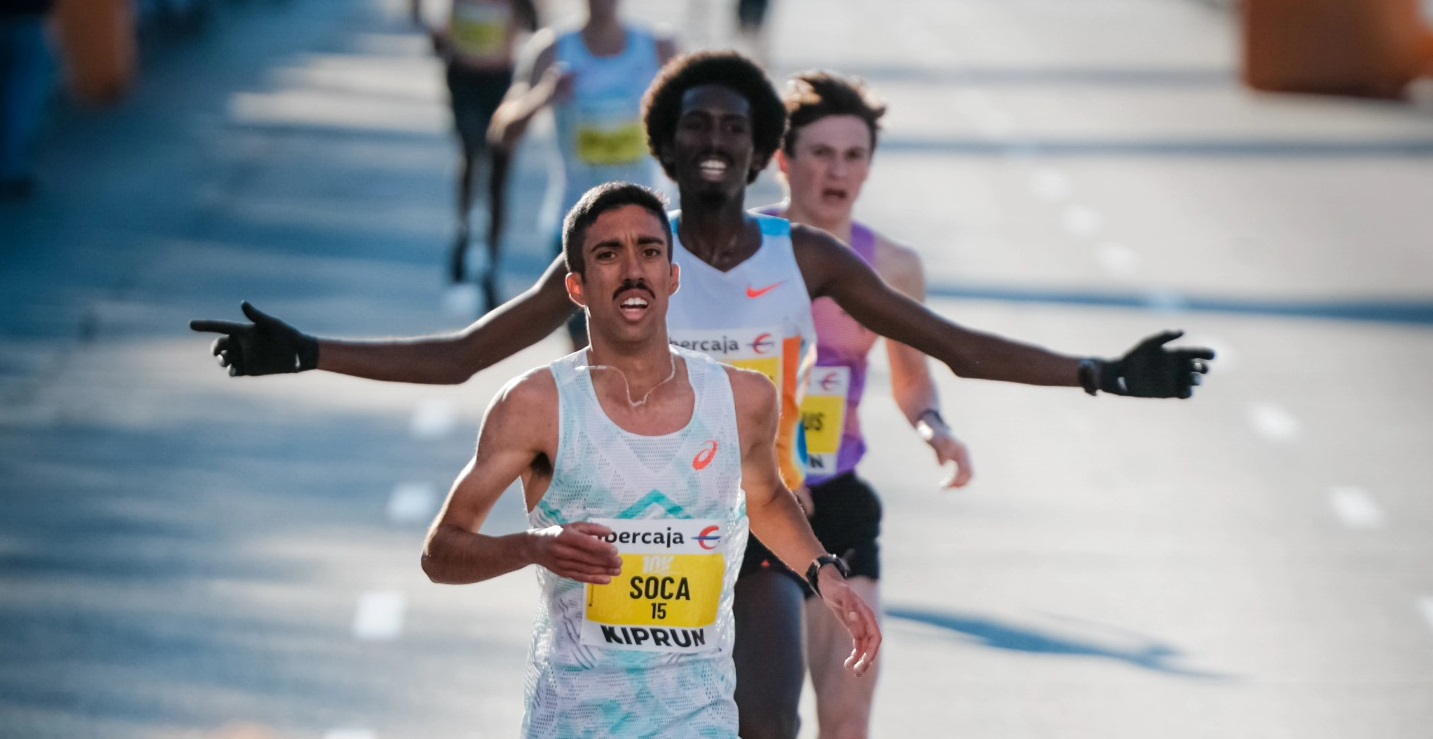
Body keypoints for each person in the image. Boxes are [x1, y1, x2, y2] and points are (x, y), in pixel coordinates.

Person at [192, 50, 1213, 739]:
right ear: (669, 145)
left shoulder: (799, 255)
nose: (714, 139)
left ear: (758, 140)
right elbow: (464, 355)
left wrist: (1101, 373)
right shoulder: (623, 250)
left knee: (767, 724)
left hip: (758, 521)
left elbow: (950, 346)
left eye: (733, 124)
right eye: (695, 126)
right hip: (631, 532)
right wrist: (310, 350)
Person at [420, 181, 880, 737]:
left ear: (673, 276)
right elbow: (441, 552)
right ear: (577, 286)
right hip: (576, 721)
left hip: (699, 720)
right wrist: (531, 547)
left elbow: (764, 497)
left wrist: (823, 574)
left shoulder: (741, 398)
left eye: (651, 252)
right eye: (608, 255)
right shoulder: (536, 406)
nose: (632, 270)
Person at [764, 70, 972, 738]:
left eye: (854, 156)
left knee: (847, 719)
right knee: (762, 718)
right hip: (749, 513)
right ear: (782, 160)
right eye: (820, 153)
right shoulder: (738, 250)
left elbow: (911, 379)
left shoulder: (893, 267)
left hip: (838, 501)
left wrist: (934, 429)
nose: (837, 171)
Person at [486, 0, 676, 335]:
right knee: (585, 352)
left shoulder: (658, 49)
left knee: (646, 345)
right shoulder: (554, 49)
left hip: (647, 228)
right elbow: (502, 132)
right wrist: (544, 95)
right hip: (576, 225)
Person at [409, 0, 538, 289]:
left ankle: (491, 259)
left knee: (498, 174)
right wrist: (433, 29)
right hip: (463, 77)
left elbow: (534, 22)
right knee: (471, 153)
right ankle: (464, 229)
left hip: (501, 80)